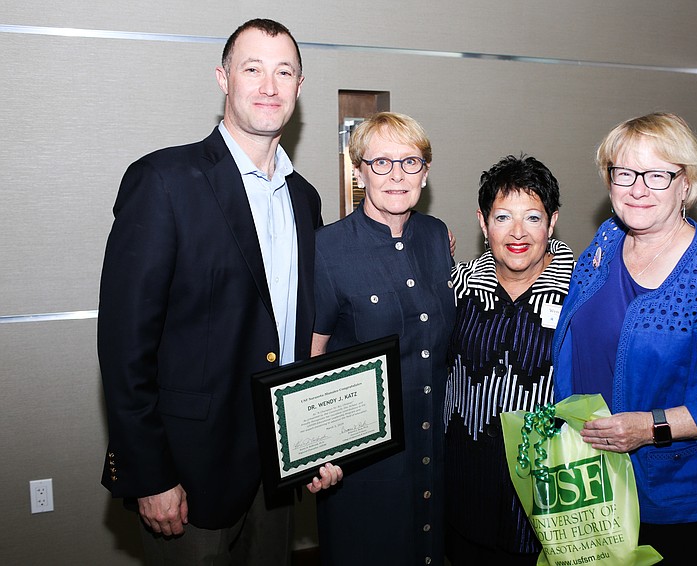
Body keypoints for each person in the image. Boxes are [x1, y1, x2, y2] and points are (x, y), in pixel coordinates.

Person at [98, 19, 324, 564]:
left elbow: (297, 330)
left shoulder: (306, 200)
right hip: (189, 475)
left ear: (299, 86)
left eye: (284, 71)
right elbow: (125, 346)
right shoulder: (164, 181)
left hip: (277, 470)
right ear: (223, 78)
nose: (269, 86)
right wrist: (149, 474)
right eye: (253, 69)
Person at [551, 112, 697, 565]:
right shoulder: (604, 244)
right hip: (591, 486)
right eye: (625, 172)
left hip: (681, 508)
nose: (638, 188)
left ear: (687, 183)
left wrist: (650, 426)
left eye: (657, 174)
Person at [309, 112, 455, 566]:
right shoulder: (326, 249)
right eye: (381, 163)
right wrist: (317, 451)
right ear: (358, 172)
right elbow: (312, 355)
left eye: (410, 162)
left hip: (436, 450)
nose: (397, 175)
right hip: (364, 464)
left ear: (425, 173)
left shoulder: (436, 237)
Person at [443, 155, 574, 565]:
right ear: (483, 224)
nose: (518, 233)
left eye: (532, 218)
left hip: (549, 502)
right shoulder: (456, 287)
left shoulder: (582, 294)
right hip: (466, 493)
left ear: (551, 223)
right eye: (503, 218)